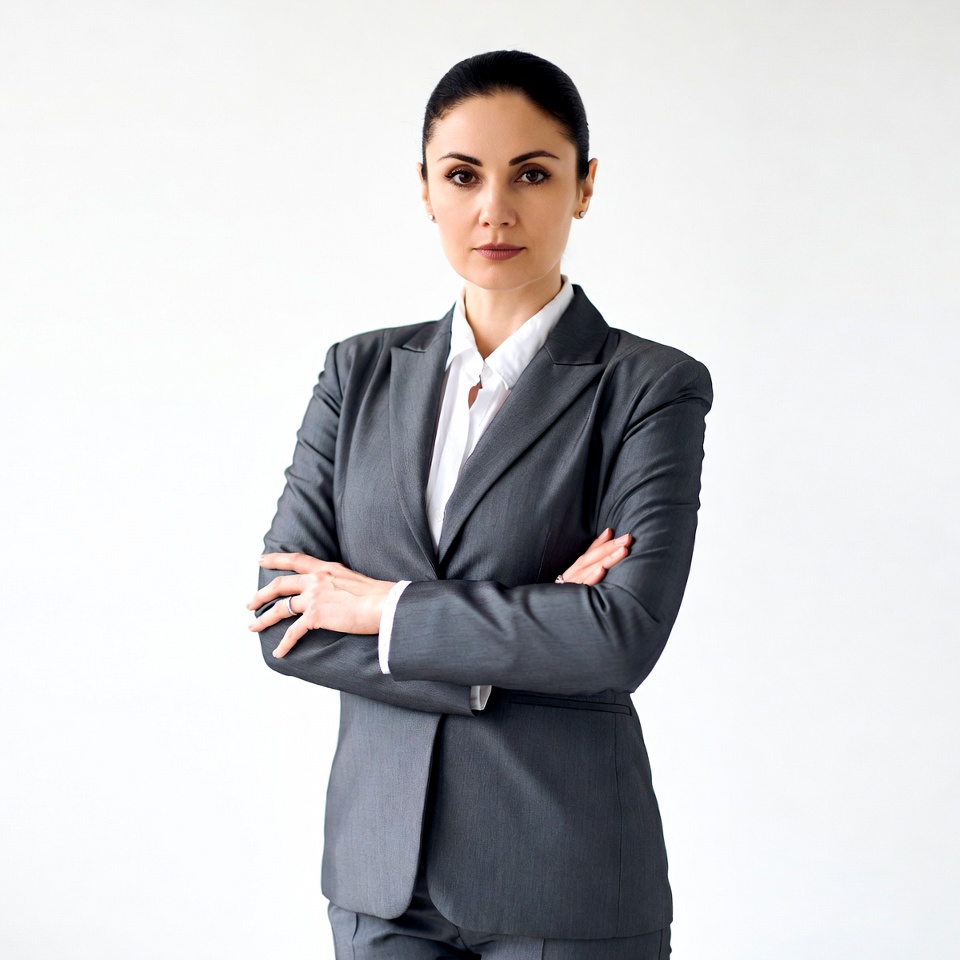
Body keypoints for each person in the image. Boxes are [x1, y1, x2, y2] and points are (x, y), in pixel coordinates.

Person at [247, 50, 712, 960]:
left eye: (532, 174)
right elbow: (282, 621)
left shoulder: (650, 387)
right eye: (462, 175)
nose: (494, 208)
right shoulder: (358, 374)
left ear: (583, 187)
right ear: (425, 188)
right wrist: (528, 633)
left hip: (564, 874)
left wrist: (381, 606)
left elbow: (621, 635)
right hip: (380, 879)